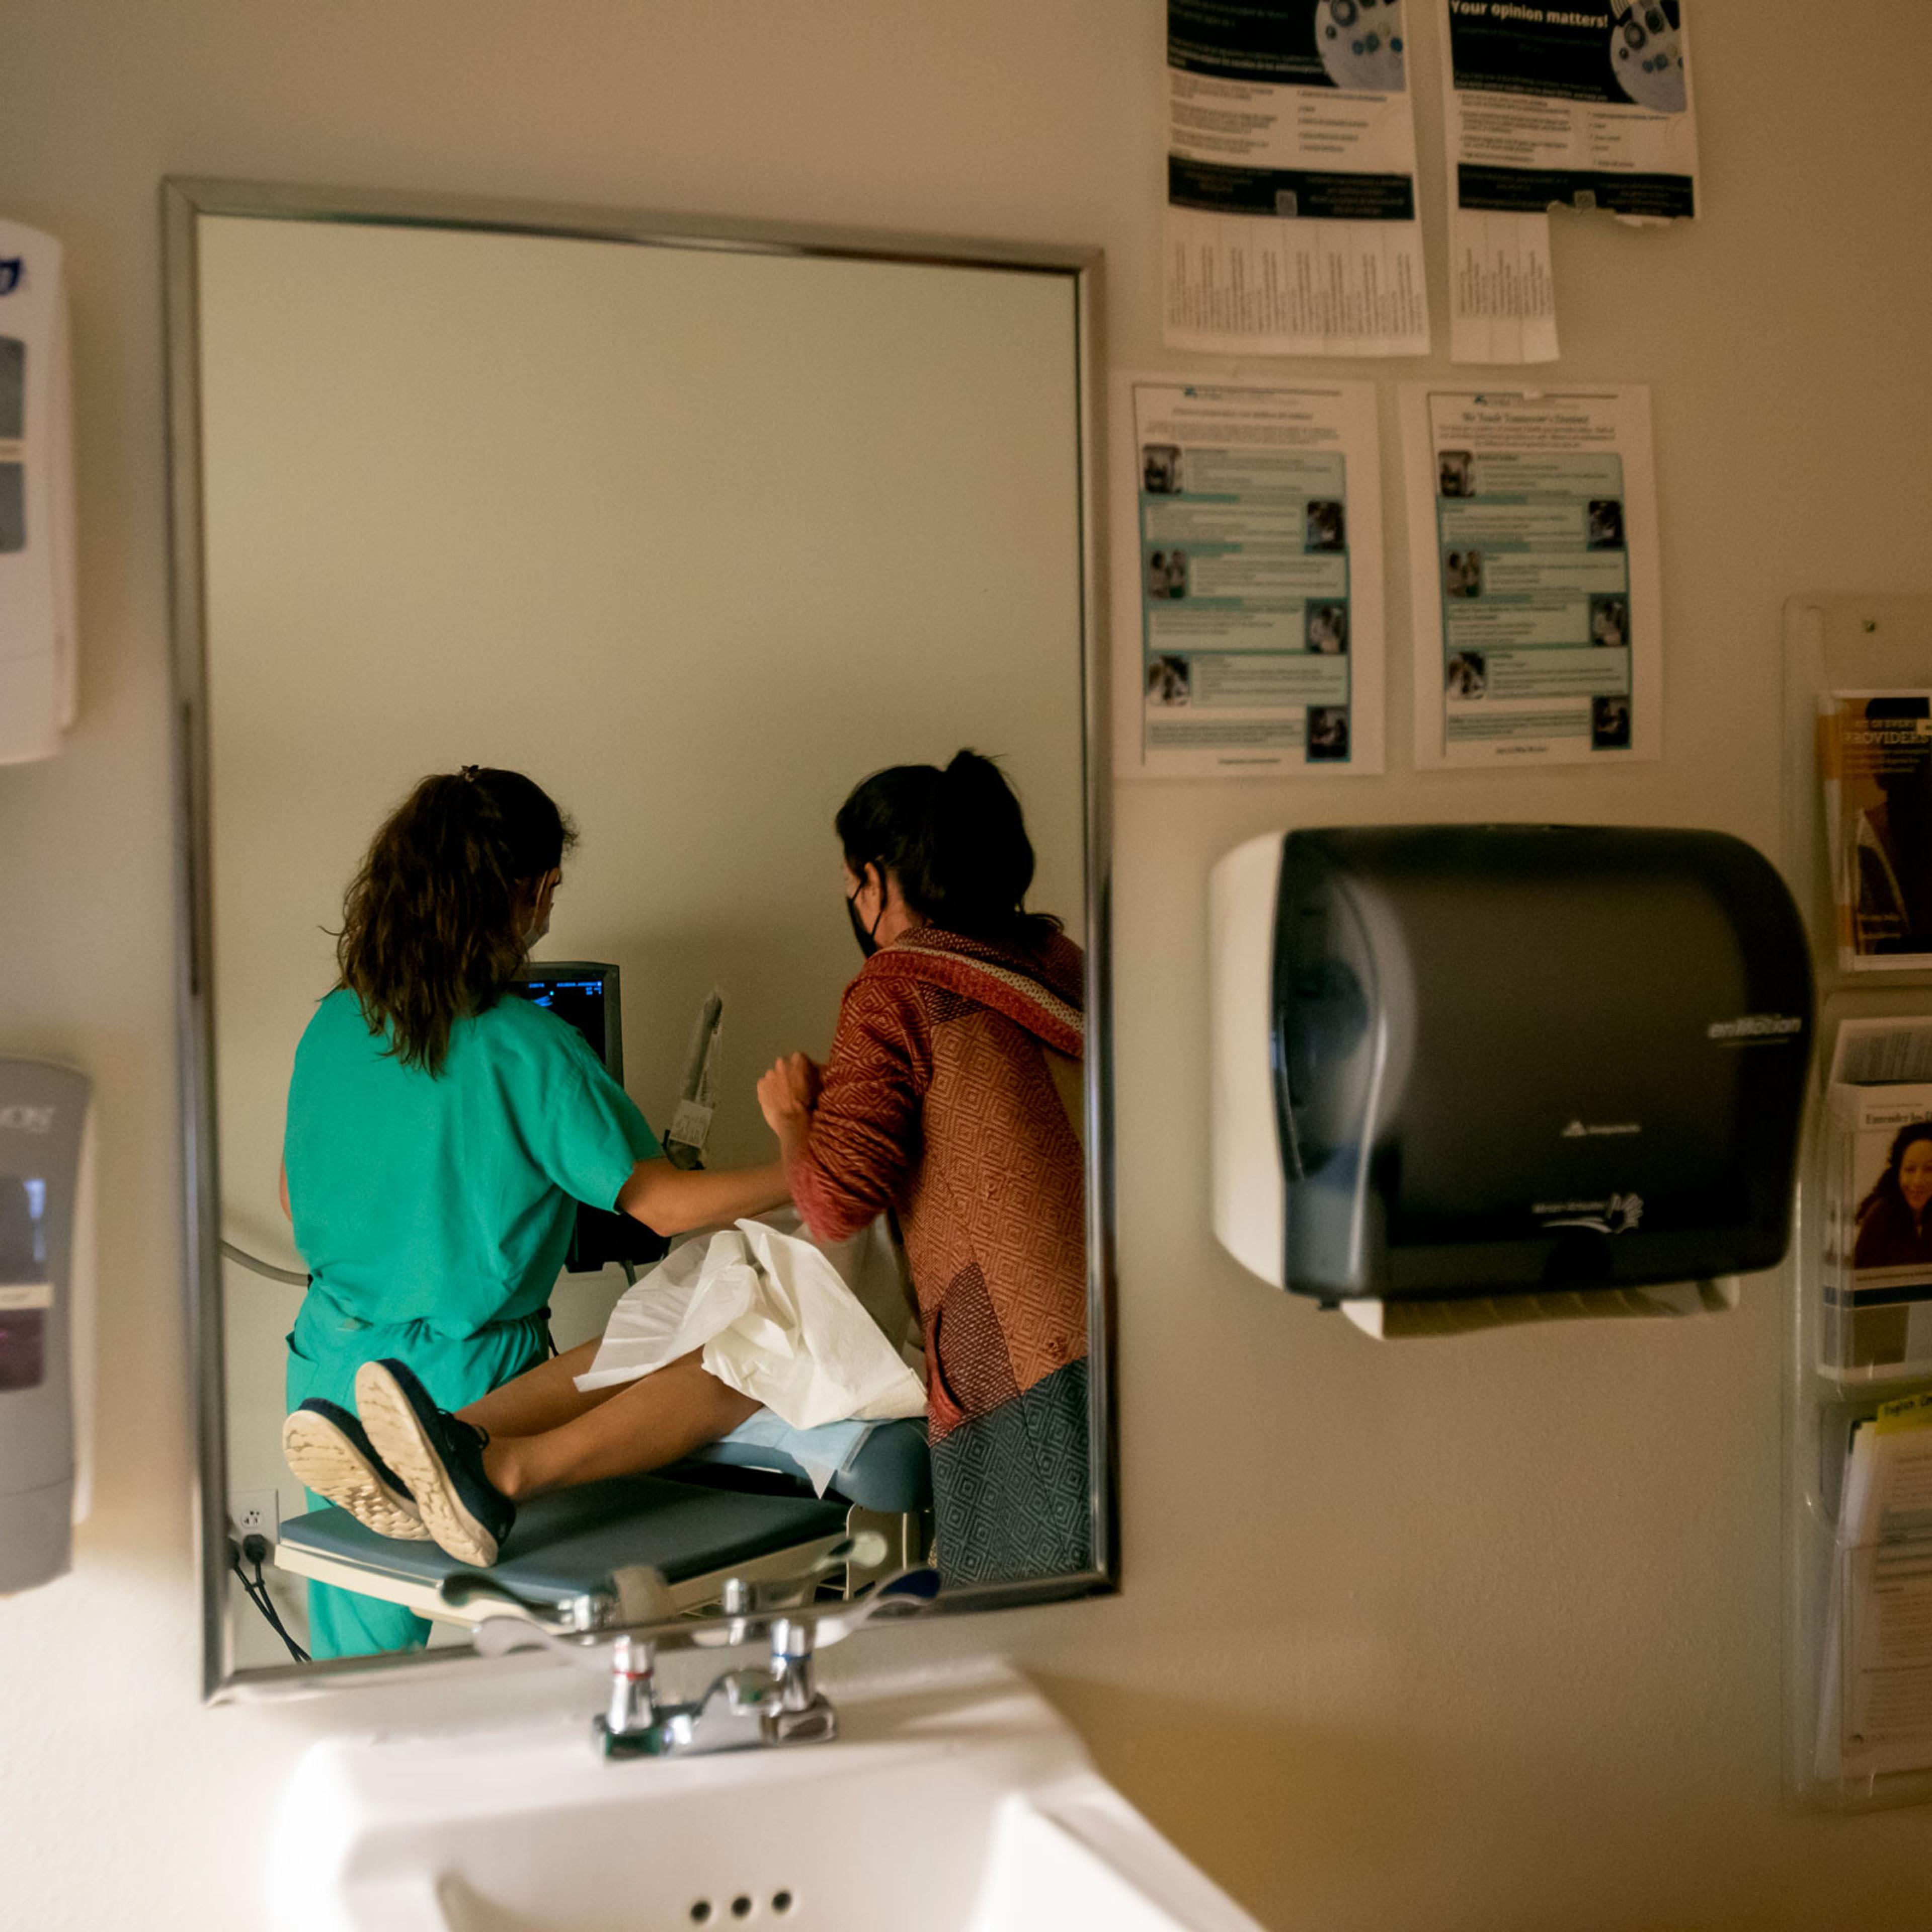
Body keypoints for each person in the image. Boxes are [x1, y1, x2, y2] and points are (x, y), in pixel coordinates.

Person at [278, 767, 789, 1656]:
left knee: (359, 1663)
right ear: (529, 891)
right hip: (473, 1389)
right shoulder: (530, 1049)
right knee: (521, 1650)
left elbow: (297, 1197)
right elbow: (664, 1207)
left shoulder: (331, 1025)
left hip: (328, 1369)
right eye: (548, 891)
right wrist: (801, 1169)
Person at [758, 750, 1090, 1587]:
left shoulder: (894, 989)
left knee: (1029, 1615)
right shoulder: (1062, 964)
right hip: (1139, 1330)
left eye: (849, 881)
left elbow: (834, 1204)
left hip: (1021, 1362)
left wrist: (793, 1119)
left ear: (875, 879)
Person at [1854, 1123, 1932, 1269]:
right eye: (1910, 1169)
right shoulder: (1880, 1217)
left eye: (1929, 1169)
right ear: (1898, 1173)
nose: (1918, 1181)